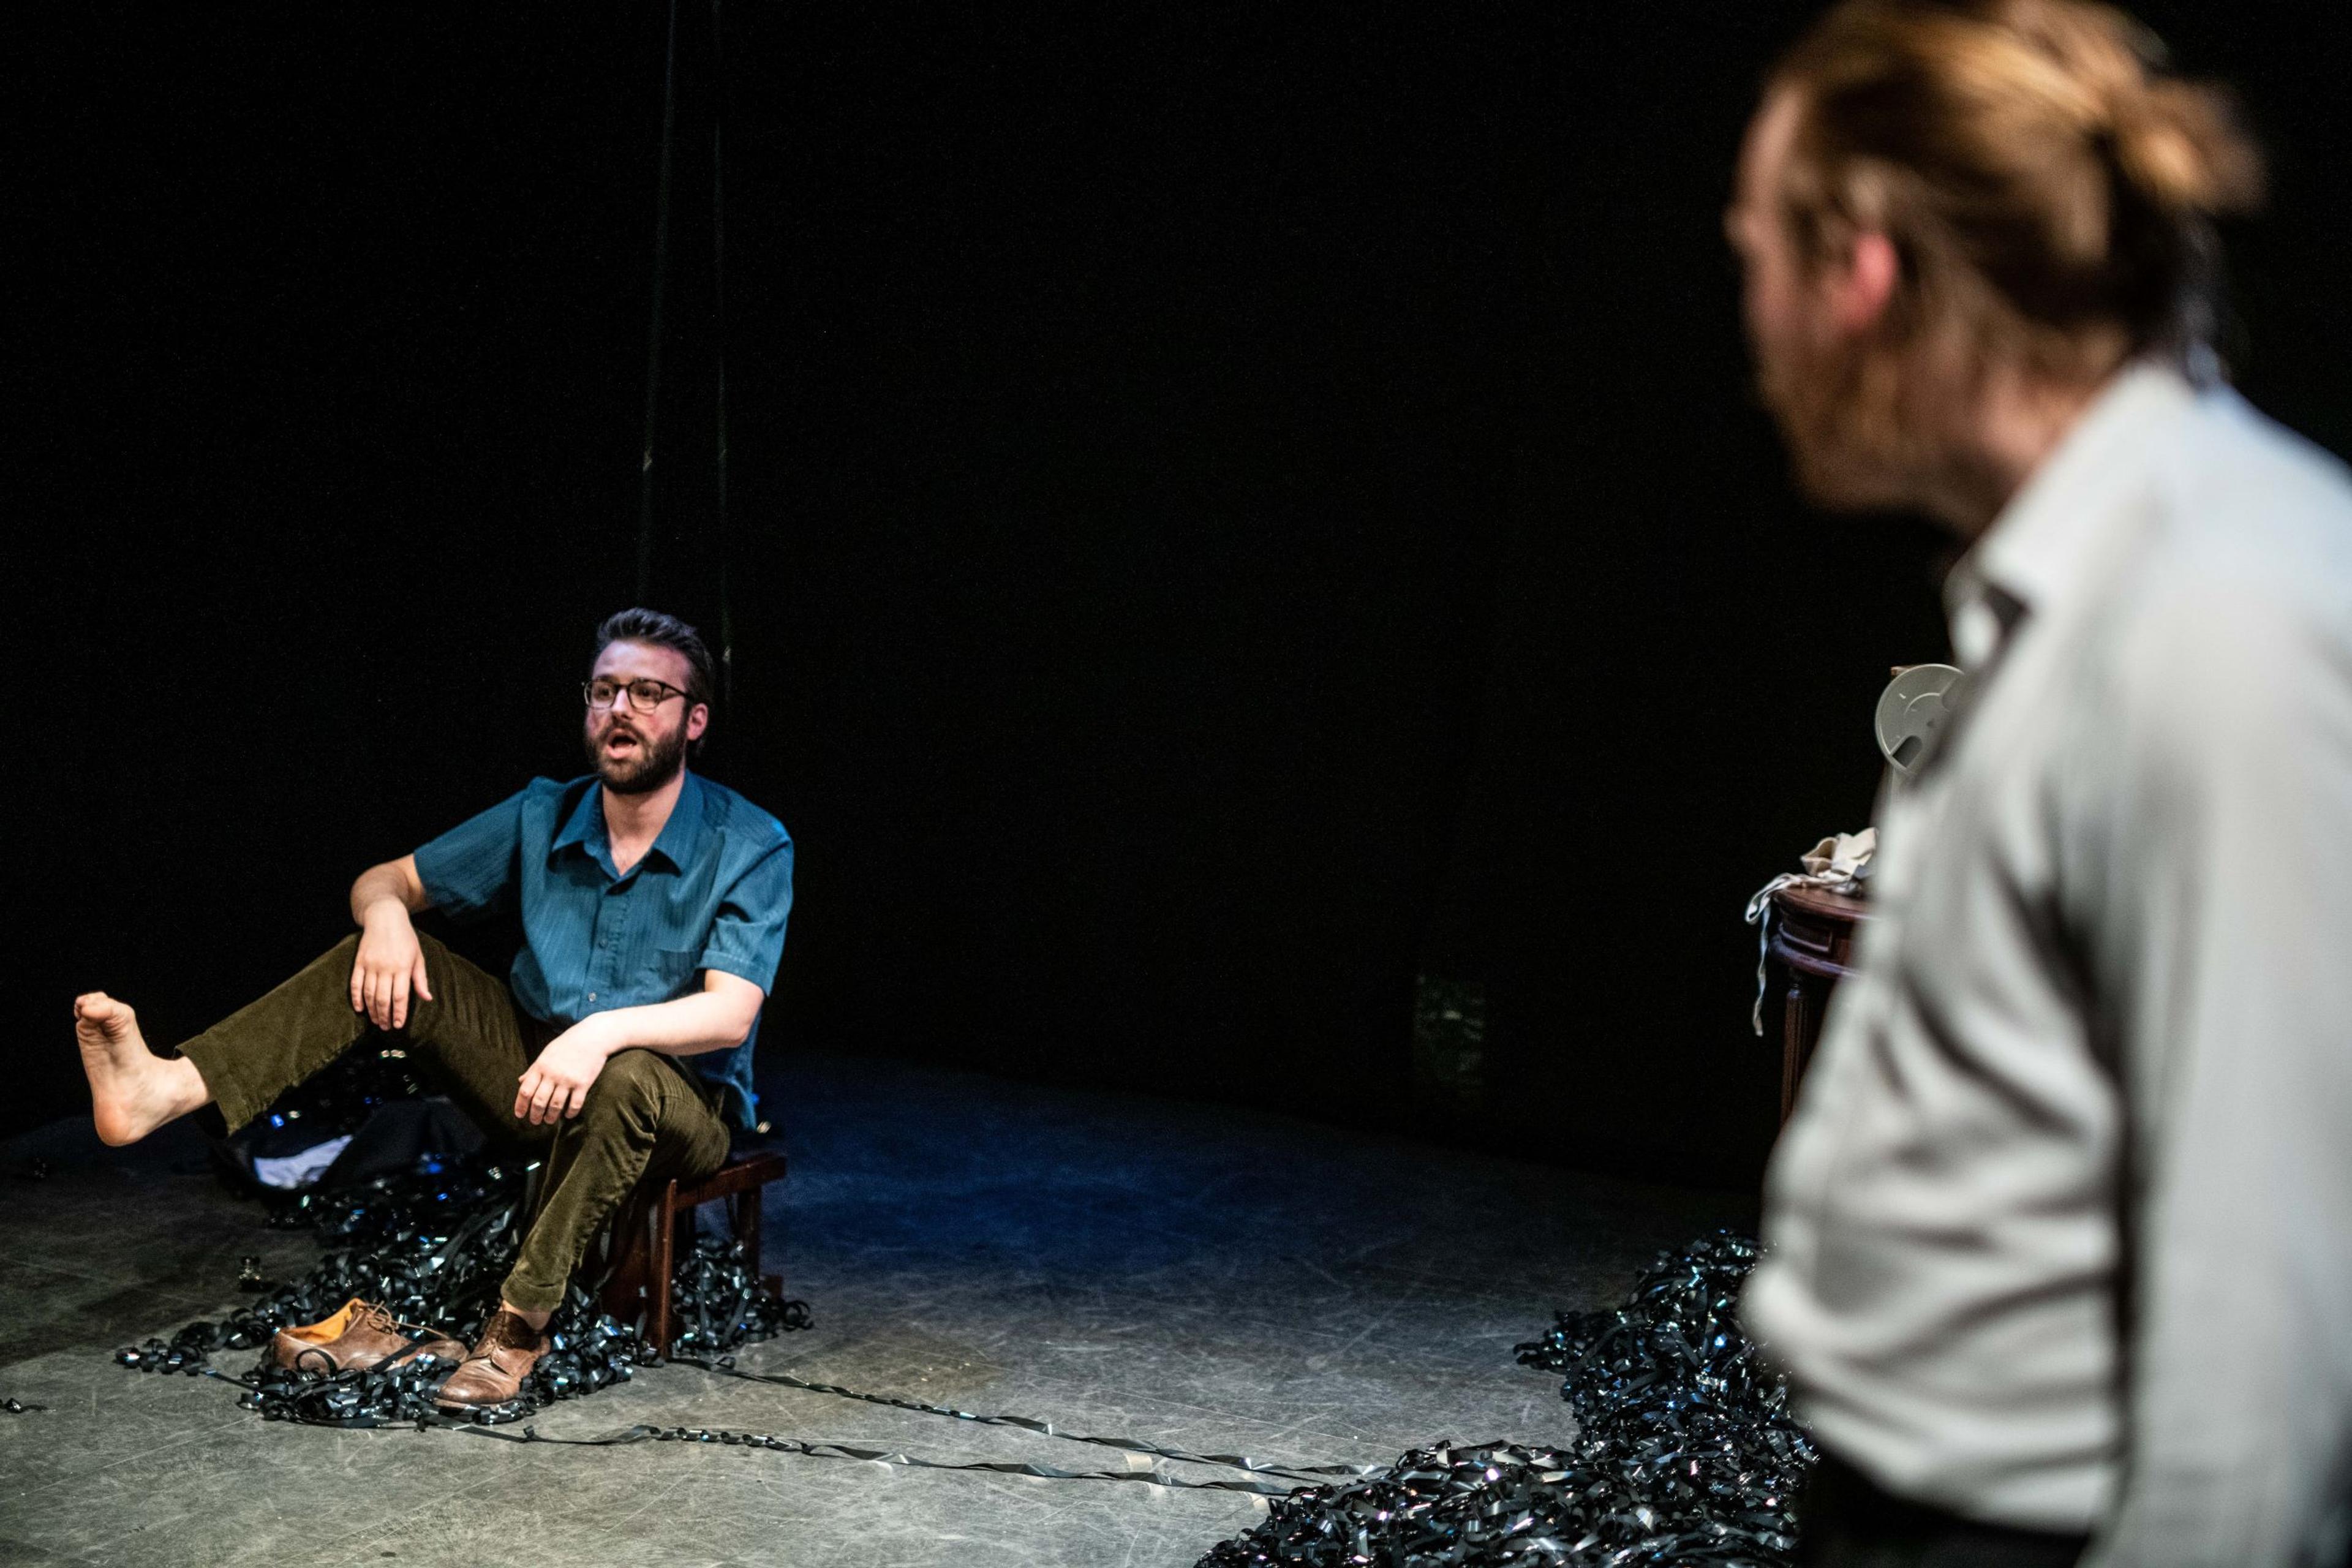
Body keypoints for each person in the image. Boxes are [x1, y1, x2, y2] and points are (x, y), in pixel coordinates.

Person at [1725, 2, 2352, 1563]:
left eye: (1754, 257)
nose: (1750, 325)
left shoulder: (2220, 614)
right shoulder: (2078, 590)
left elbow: (2267, 1327)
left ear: (1860, 274)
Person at [72, 608, 794, 1411]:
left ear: (693, 721)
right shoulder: (546, 811)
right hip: (534, 1077)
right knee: (379, 957)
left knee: (623, 1073)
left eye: (648, 693)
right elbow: (385, 880)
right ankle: (165, 1088)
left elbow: (729, 1015)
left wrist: (601, 1033)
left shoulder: (750, 840)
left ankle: (519, 1327)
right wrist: (385, 920)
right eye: (604, 689)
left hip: (675, 1104)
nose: (620, 708)